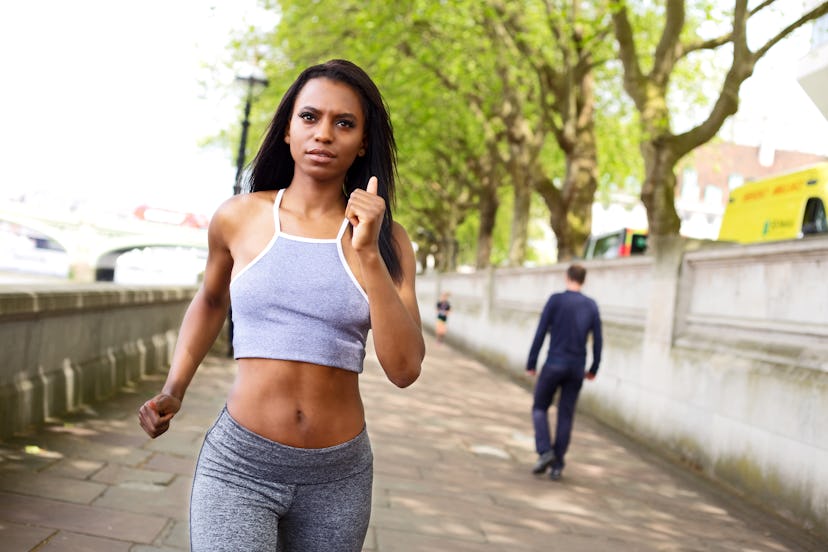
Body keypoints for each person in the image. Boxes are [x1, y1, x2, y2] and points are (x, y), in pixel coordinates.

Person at [137, 59, 425, 551]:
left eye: (344, 123)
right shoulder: (238, 218)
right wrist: (174, 389)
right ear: (288, 130)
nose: (324, 134)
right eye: (309, 117)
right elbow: (211, 300)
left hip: (339, 478)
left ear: (363, 143)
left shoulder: (388, 241)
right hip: (240, 466)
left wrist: (368, 254)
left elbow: (404, 369)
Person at [526, 264, 602, 481]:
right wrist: (594, 368)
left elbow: (541, 332)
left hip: (554, 363)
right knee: (565, 414)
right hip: (576, 368)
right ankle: (557, 465)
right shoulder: (591, 305)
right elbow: (598, 340)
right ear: (584, 280)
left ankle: (545, 451)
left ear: (567, 277)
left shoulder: (555, 300)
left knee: (539, 406)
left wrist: (532, 362)